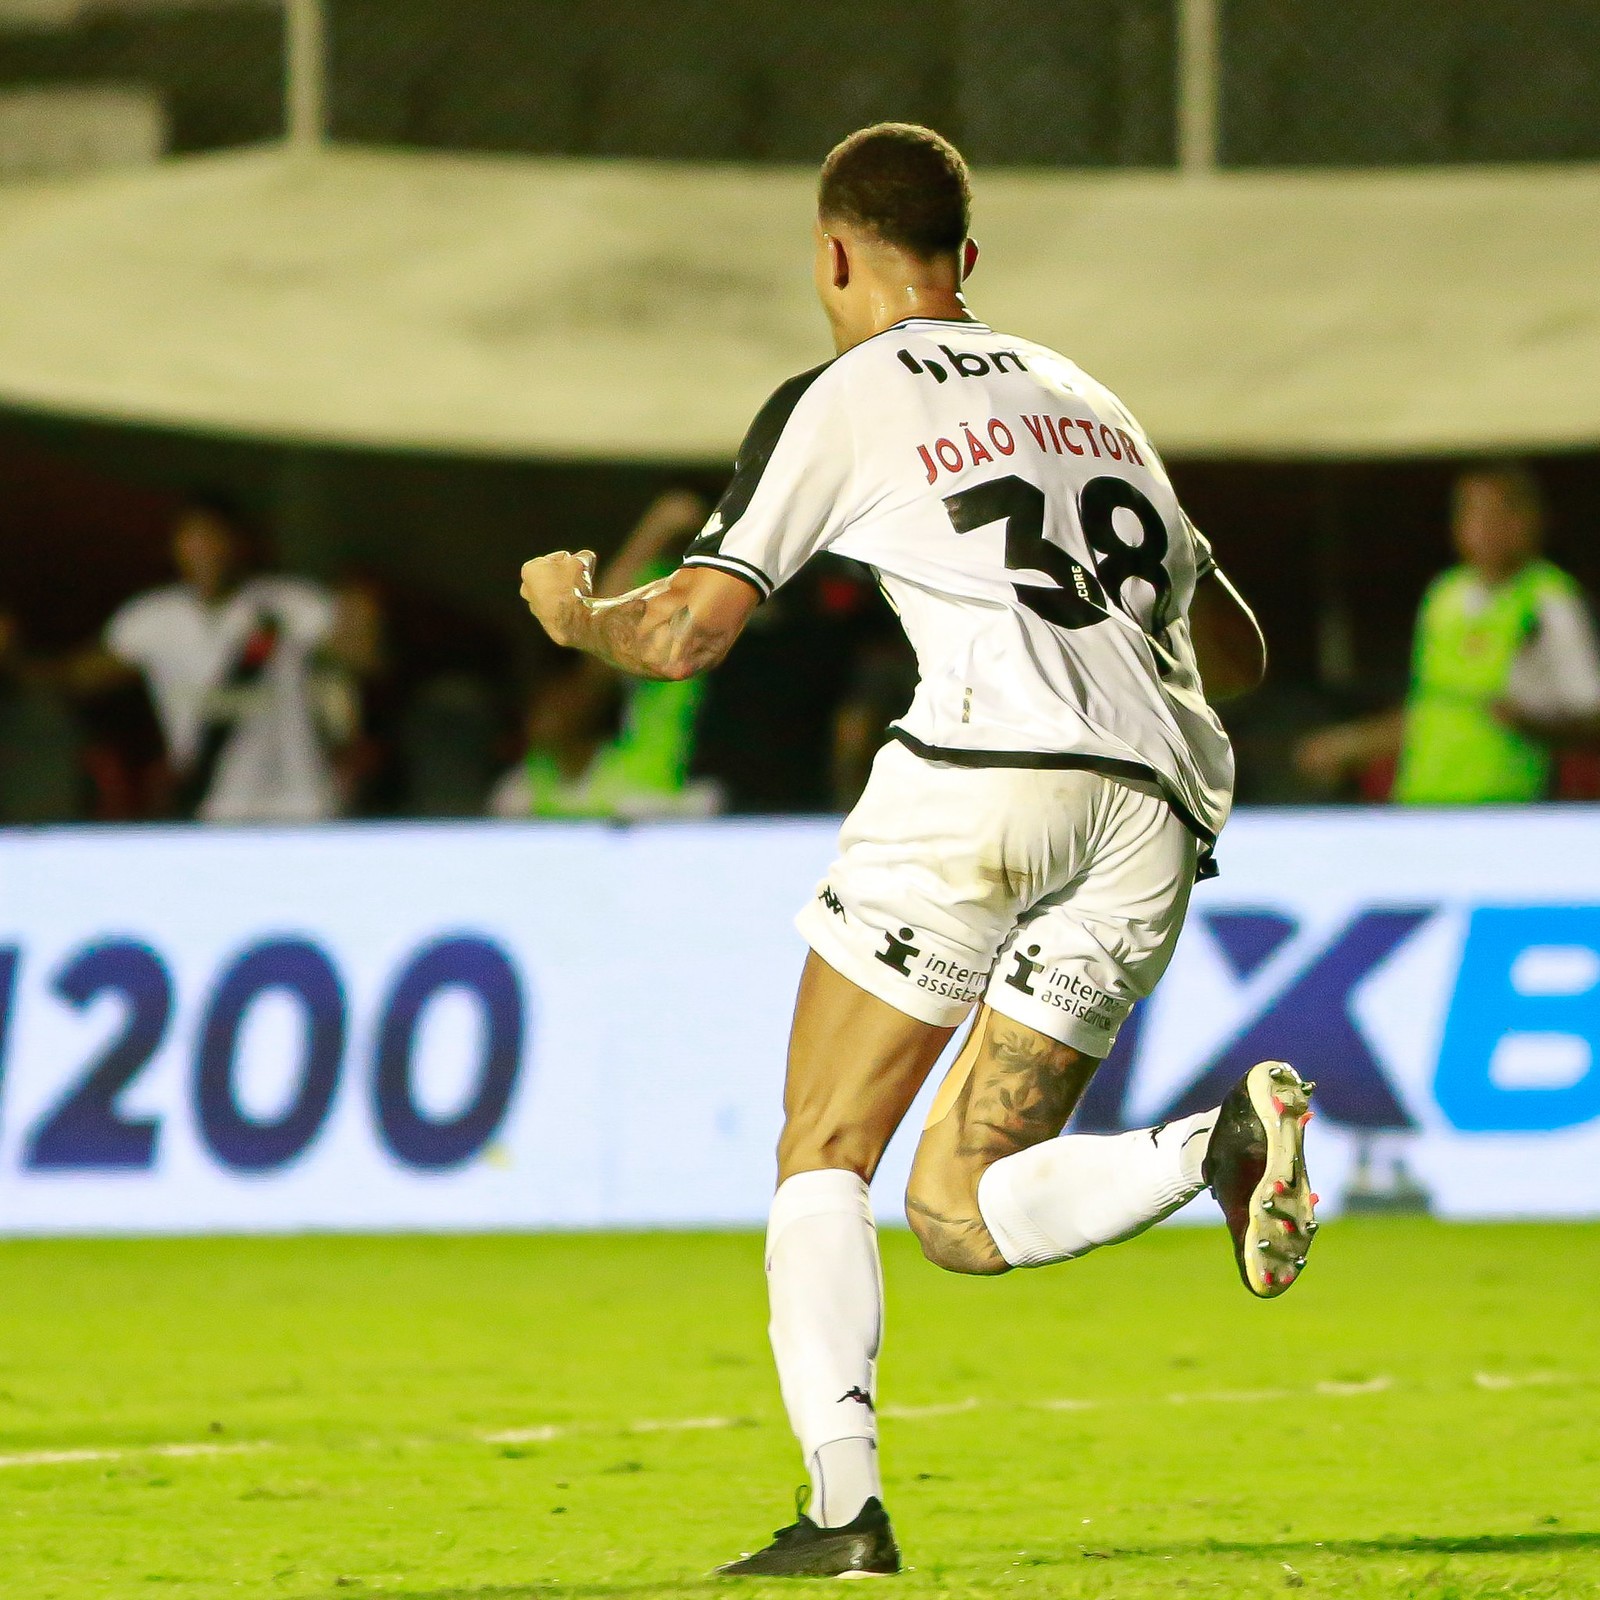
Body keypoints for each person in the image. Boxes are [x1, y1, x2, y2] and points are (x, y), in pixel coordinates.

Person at [518, 123, 1312, 1578]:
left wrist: (579, 620)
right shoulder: (1089, 398)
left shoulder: (842, 392)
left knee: (825, 1147)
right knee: (957, 1207)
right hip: (1156, 811)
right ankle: (1218, 1143)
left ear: (832, 254)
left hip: (987, 779)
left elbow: (691, 632)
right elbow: (1239, 652)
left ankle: (843, 1516)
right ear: (970, 260)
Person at [1296, 462, 1600, 803]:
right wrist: (1351, 744)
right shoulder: (1444, 595)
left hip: (1505, 807)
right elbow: (1427, 709)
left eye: (1497, 515)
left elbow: (1588, 713)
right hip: (1424, 801)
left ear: (1529, 521)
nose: (1484, 529)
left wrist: (1527, 721)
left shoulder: (1547, 600)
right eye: (1472, 515)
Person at [65, 497, 347, 823]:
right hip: (213, 812)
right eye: (191, 539)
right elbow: (82, 676)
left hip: (302, 806)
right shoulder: (150, 618)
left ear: (238, 543)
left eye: (213, 538)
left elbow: (357, 655)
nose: (203, 551)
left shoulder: (290, 603)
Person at [490, 489, 720, 820]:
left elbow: (607, 634)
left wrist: (657, 530)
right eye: (539, 701)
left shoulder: (650, 751)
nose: (543, 711)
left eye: (559, 697)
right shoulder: (527, 785)